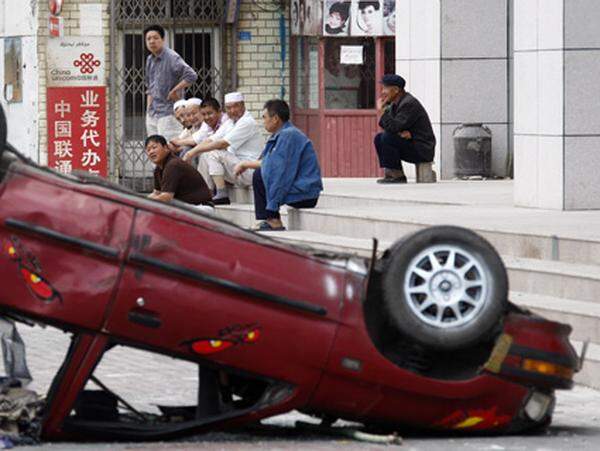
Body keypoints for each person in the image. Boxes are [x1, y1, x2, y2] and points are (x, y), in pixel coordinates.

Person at [234, 99, 323, 232]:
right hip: (298, 188)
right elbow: (270, 162)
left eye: (264, 117)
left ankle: (274, 220)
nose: (263, 121)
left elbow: (278, 171)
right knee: (261, 173)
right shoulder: (281, 134)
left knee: (262, 174)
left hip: (306, 193)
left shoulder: (289, 135)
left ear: (275, 119)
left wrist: (272, 205)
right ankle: (268, 219)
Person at [182, 92, 263, 205]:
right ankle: (206, 193)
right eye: (229, 108)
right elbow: (210, 139)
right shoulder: (230, 122)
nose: (232, 110)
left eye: (236, 106)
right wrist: (192, 152)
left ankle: (221, 193)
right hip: (236, 168)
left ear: (243, 105)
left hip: (248, 171)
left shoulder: (247, 122)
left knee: (214, 152)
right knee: (205, 154)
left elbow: (222, 143)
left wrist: (192, 152)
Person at [374, 74, 436, 184]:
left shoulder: (408, 103)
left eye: (385, 88)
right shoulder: (395, 104)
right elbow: (391, 127)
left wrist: (382, 112)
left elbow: (394, 127)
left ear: (396, 90)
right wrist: (400, 131)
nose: (382, 92)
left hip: (422, 149)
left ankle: (397, 176)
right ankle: (391, 173)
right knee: (379, 138)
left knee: (386, 137)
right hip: (411, 142)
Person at [144, 24, 198, 141]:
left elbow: (192, 75)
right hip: (152, 113)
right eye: (148, 39)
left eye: (155, 38)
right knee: (155, 148)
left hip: (168, 113)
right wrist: (148, 110)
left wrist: (175, 90)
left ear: (163, 40)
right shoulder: (149, 60)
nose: (152, 41)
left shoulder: (172, 57)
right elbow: (149, 87)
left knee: (170, 147)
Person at [145, 135, 212, 207]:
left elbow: (166, 197)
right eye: (148, 150)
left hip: (200, 209)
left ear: (166, 148)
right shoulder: (158, 169)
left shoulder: (173, 165)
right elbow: (156, 193)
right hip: (187, 207)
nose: (151, 152)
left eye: (154, 147)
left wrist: (144, 204)